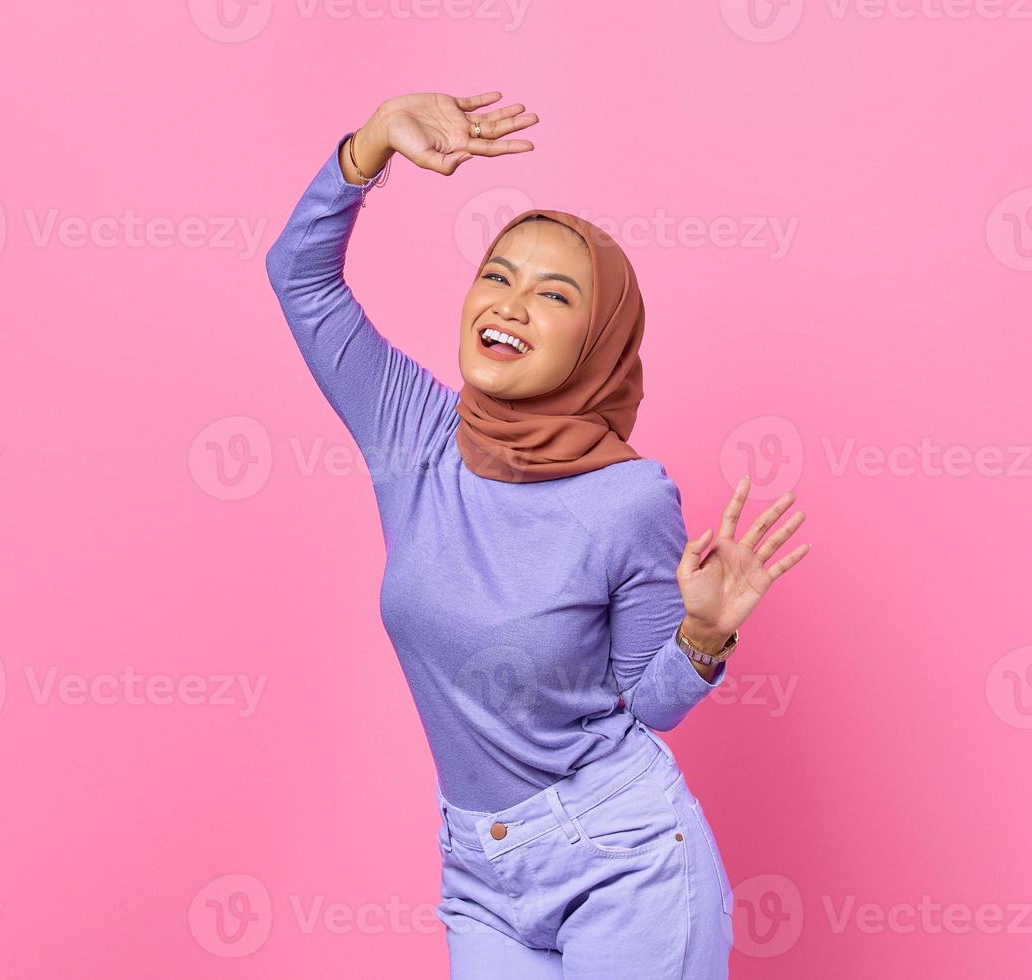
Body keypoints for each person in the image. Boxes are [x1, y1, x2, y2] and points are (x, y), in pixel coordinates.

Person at [264, 89, 811, 978]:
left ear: (595, 343)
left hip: (622, 859)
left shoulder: (626, 500)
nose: (512, 304)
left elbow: (652, 701)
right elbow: (299, 275)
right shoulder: (415, 435)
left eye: (553, 295)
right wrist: (371, 146)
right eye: (498, 275)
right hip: (478, 872)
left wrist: (704, 635)